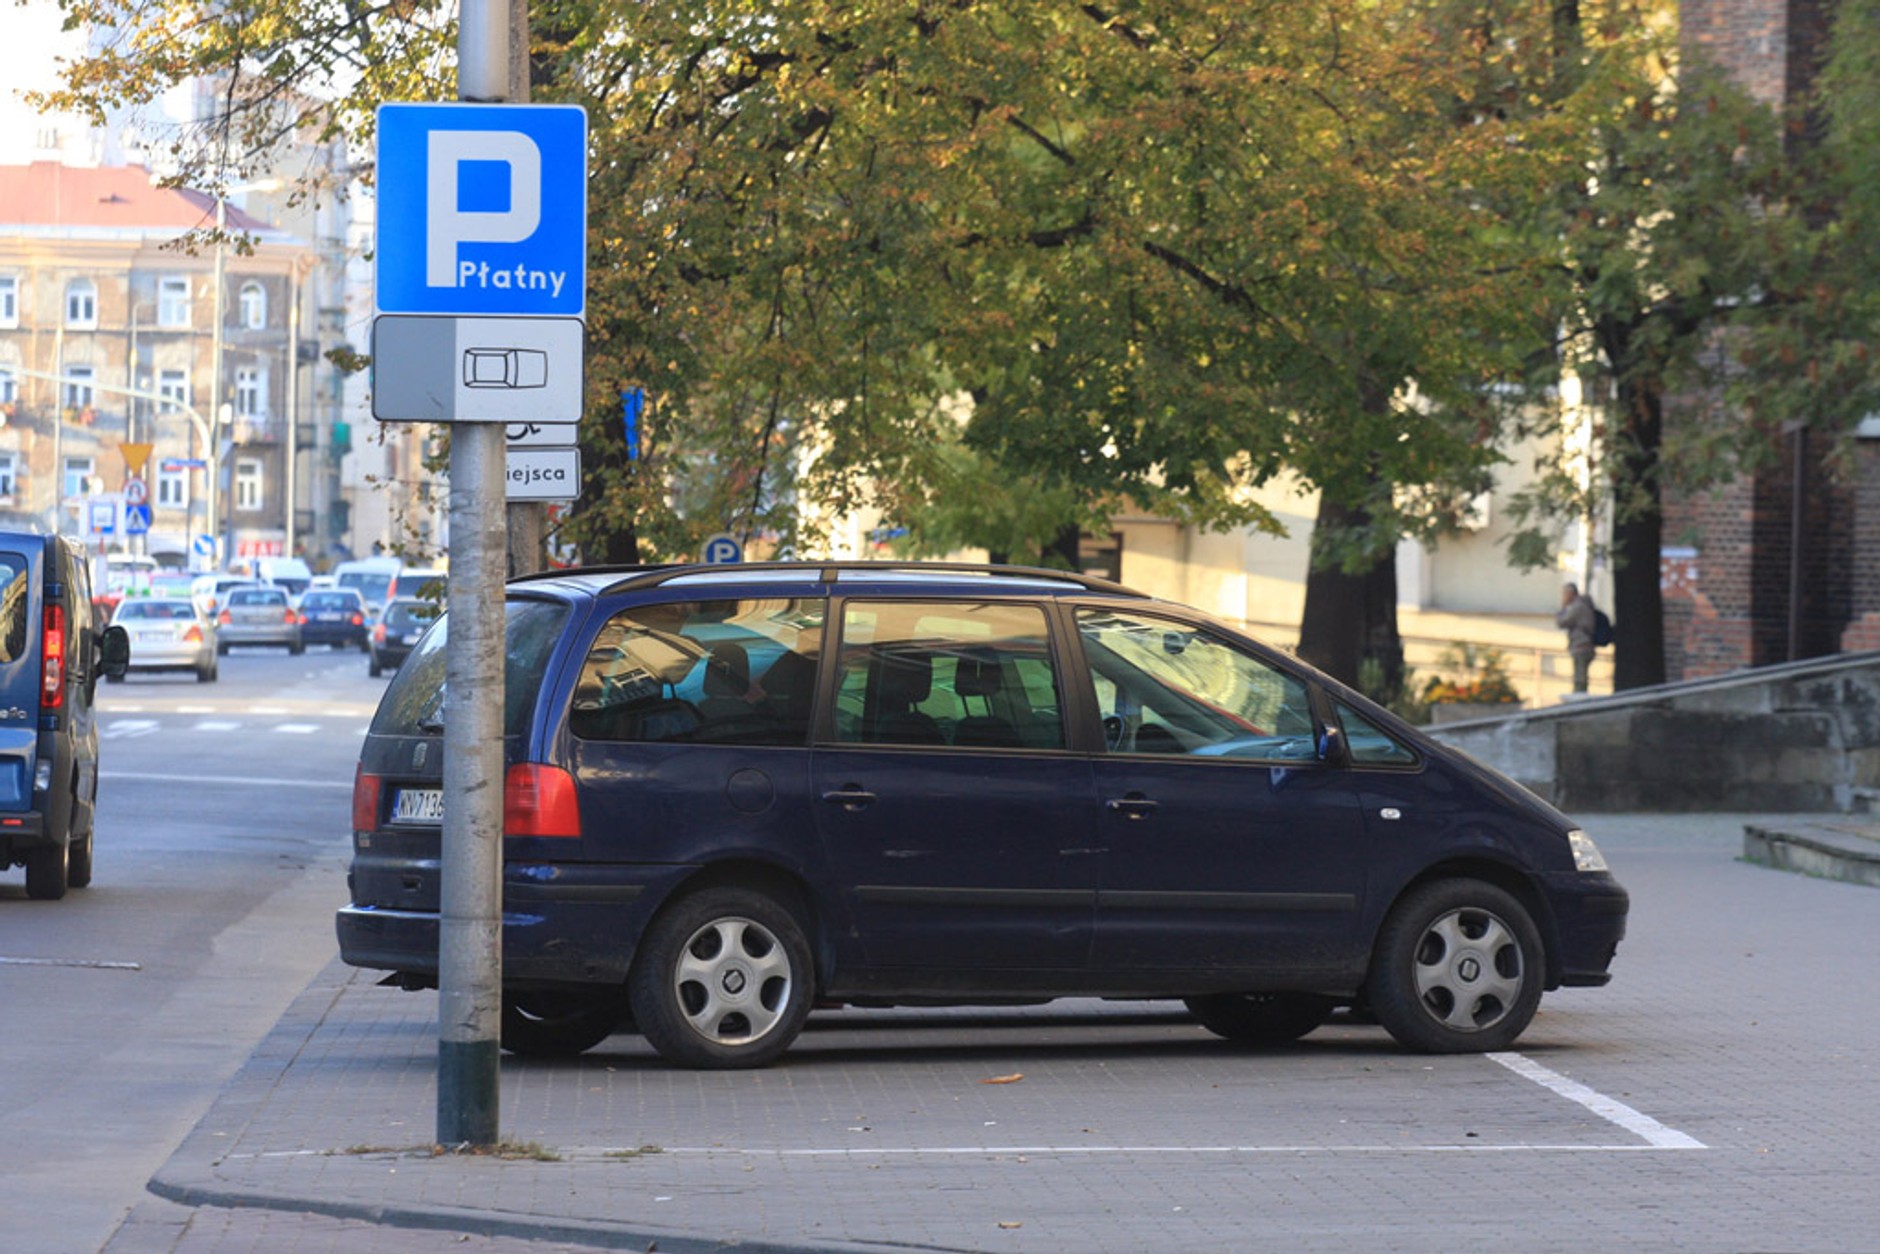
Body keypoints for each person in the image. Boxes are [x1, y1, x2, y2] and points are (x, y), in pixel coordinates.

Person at [1556, 581, 1597, 694]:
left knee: (1579, 678)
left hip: (1581, 645)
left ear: (1571, 594)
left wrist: (1563, 608)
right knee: (1581, 676)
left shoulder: (1577, 607)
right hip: (1586, 645)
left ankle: (1579, 697)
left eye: (1565, 594)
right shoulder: (1584, 605)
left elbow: (1561, 622)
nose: (1563, 597)